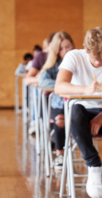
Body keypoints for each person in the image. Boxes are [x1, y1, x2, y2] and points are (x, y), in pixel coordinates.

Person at [54, 27, 102, 197]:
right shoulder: (74, 56)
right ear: (87, 49)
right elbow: (59, 86)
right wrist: (86, 89)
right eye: (95, 57)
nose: (99, 62)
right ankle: (94, 164)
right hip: (81, 117)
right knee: (75, 110)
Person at [38, 31, 75, 169]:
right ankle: (60, 154)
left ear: (72, 45)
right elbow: (42, 81)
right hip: (59, 104)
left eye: (67, 46)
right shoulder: (53, 64)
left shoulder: (78, 59)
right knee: (60, 120)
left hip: (77, 102)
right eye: (61, 48)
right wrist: (63, 85)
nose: (65, 51)